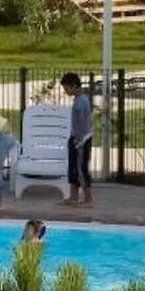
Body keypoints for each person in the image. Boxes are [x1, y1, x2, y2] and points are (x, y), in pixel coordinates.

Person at [63, 72, 95, 206]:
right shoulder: (80, 99)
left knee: (81, 169)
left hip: (80, 141)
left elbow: (81, 121)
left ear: (74, 86)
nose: (65, 92)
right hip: (76, 139)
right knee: (73, 169)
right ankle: (73, 197)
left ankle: (88, 199)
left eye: (66, 89)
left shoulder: (81, 100)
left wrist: (78, 139)